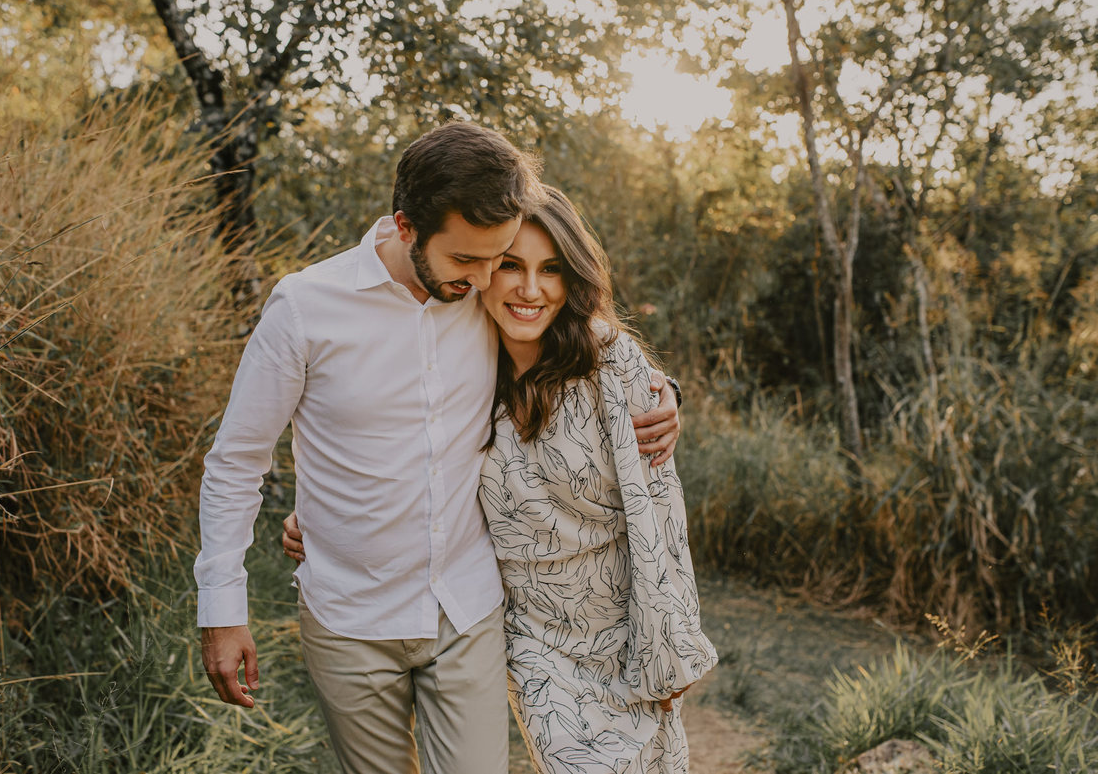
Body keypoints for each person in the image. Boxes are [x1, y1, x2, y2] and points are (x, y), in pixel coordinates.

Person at [194, 122, 681, 774]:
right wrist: (222, 609)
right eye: (466, 260)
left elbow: (575, 335)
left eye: (496, 257)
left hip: (467, 607)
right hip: (348, 617)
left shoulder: (486, 298)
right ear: (406, 227)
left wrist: (661, 391)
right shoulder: (306, 310)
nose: (484, 278)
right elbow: (235, 462)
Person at [285, 187, 717, 773]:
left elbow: (659, 513)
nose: (530, 289)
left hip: (624, 631)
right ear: (483, 267)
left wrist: (668, 644)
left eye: (551, 270)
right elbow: (407, 456)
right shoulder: (464, 354)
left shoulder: (607, 361)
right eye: (512, 266)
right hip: (529, 634)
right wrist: (323, 517)